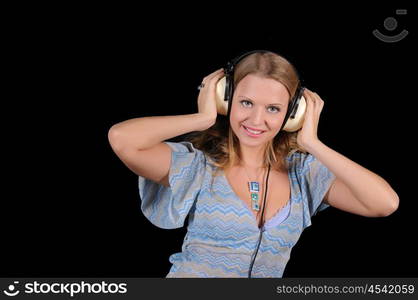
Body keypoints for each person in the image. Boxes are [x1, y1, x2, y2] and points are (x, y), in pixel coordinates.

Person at [108, 50, 399, 278]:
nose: (256, 120)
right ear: (226, 101)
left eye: (273, 108)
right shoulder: (197, 166)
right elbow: (122, 139)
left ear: (293, 114)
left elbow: (384, 203)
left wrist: (312, 142)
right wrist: (203, 118)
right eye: (246, 103)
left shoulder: (304, 174)